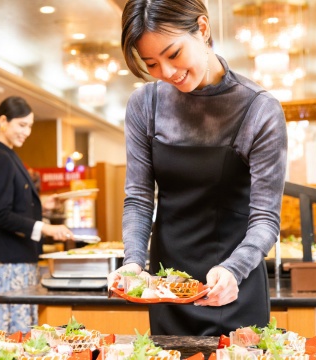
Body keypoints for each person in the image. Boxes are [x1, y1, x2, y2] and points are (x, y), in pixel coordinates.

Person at [107, 0, 287, 336]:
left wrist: (234, 269)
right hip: (168, 287)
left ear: (202, 29)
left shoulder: (259, 109)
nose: (167, 72)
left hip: (235, 281)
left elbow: (265, 219)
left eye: (173, 54)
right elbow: (139, 199)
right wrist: (133, 262)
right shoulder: (145, 104)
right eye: (152, 64)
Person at [0, 96, 74, 334]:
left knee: (19, 334)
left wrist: (42, 204)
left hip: (17, 260)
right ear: (3, 121)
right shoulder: (1, 158)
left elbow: (12, 204)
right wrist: (46, 228)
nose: (27, 132)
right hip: (8, 264)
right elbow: (1, 215)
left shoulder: (8, 154)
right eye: (22, 125)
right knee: (11, 336)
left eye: (30, 126)